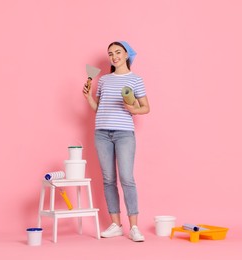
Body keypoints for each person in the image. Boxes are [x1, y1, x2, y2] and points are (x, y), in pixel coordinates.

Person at [83, 41, 150, 242]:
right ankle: (116, 225)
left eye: (118, 52)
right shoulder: (103, 80)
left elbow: (145, 107)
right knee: (108, 180)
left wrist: (132, 109)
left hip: (124, 134)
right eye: (110, 53)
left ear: (127, 54)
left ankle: (135, 227)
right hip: (101, 133)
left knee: (127, 179)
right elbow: (99, 108)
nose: (114, 56)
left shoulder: (136, 80)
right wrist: (88, 98)